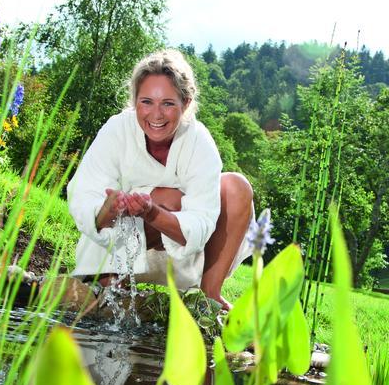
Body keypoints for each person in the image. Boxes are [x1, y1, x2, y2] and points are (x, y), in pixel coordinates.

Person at [66, 49, 253, 308]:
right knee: (166, 199)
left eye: (167, 103)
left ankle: (208, 296)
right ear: (134, 101)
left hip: (181, 255)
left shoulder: (199, 141)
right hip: (120, 249)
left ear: (185, 103)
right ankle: (109, 282)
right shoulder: (116, 130)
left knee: (235, 186)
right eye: (146, 102)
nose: (156, 115)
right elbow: (83, 195)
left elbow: (202, 223)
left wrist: (153, 211)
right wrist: (105, 211)